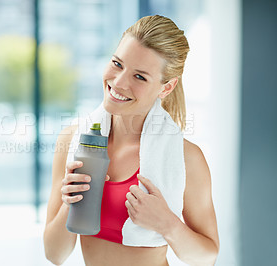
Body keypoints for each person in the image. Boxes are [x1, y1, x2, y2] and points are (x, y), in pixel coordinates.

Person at [43, 15, 219, 266]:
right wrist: (68, 203)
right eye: (117, 64)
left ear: (166, 88)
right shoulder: (73, 141)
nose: (119, 82)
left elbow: (206, 258)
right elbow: (54, 254)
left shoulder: (187, 158)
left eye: (140, 77)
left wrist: (167, 224)